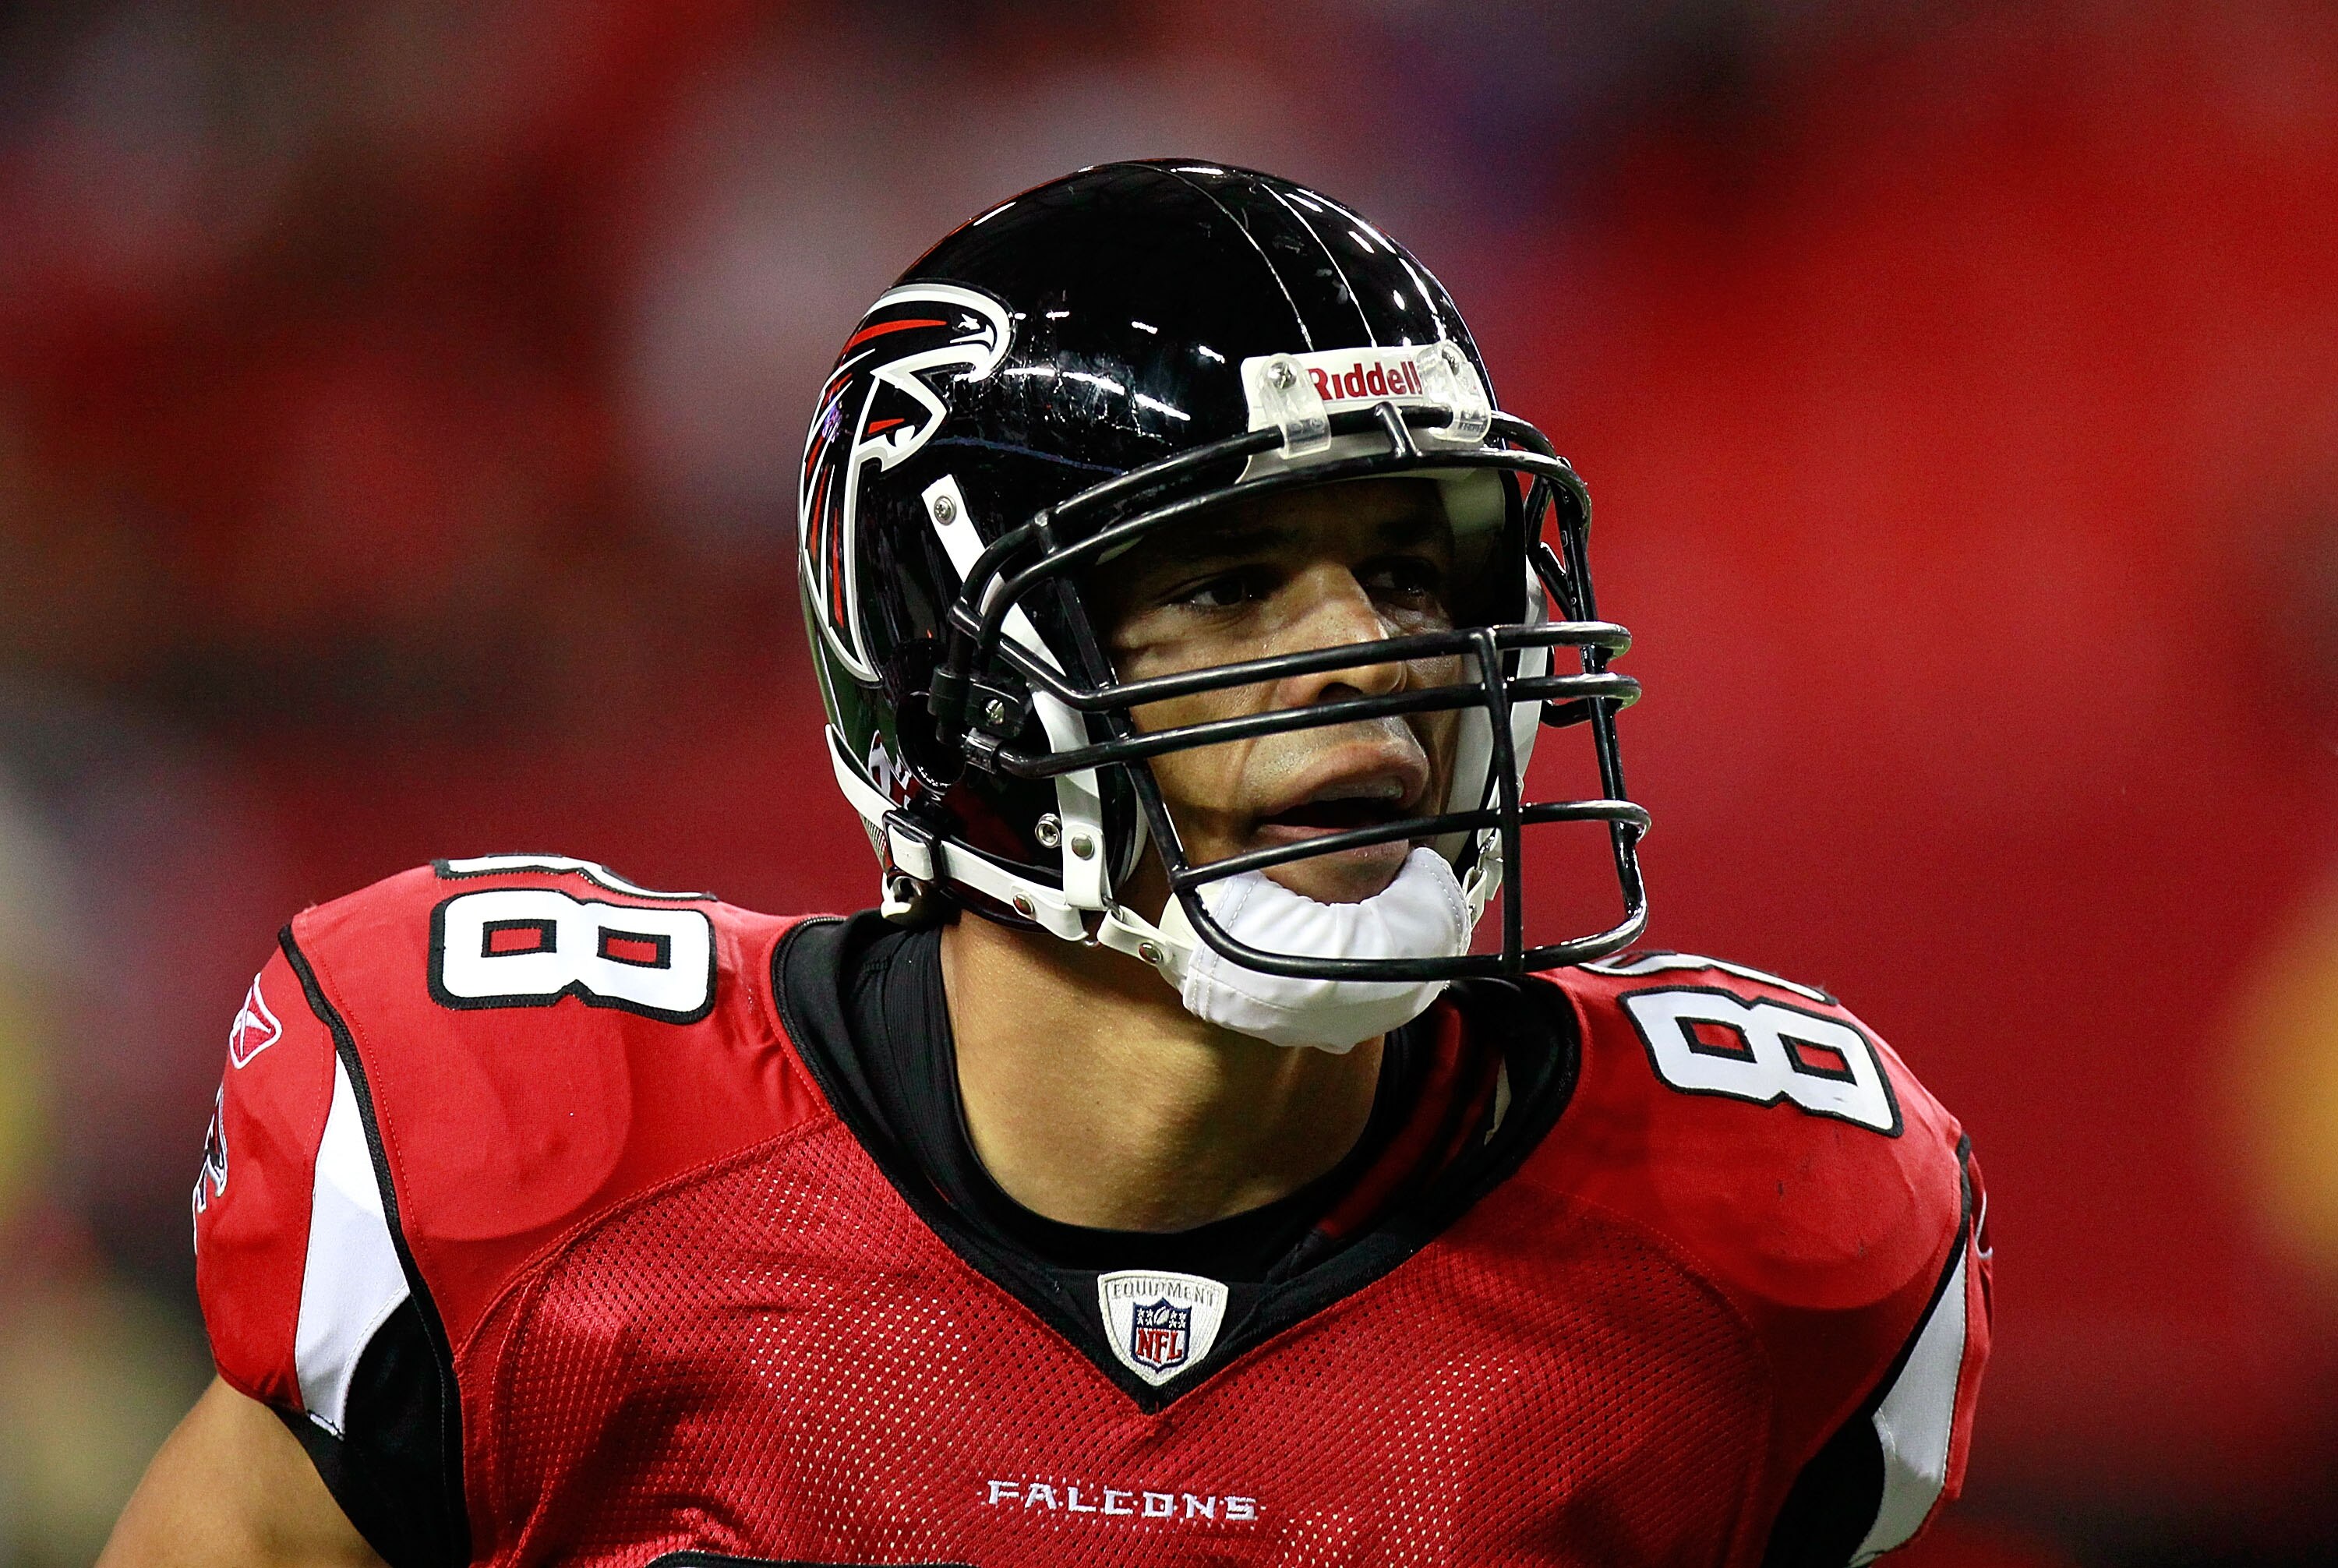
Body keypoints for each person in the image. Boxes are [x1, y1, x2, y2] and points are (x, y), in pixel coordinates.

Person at [104, 161, 1990, 1568]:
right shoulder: (530, 1154)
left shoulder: (1753, 1246)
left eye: (1418, 571)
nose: (1376, 654)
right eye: (1233, 583)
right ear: (954, 692)